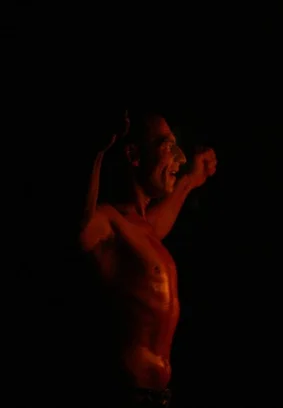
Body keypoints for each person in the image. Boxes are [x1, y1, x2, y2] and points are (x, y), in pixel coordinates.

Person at [78, 111, 217, 407]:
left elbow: (155, 227)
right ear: (134, 155)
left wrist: (190, 180)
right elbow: (79, 226)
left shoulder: (143, 231)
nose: (178, 159)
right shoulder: (107, 224)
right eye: (167, 146)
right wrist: (97, 151)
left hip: (158, 398)